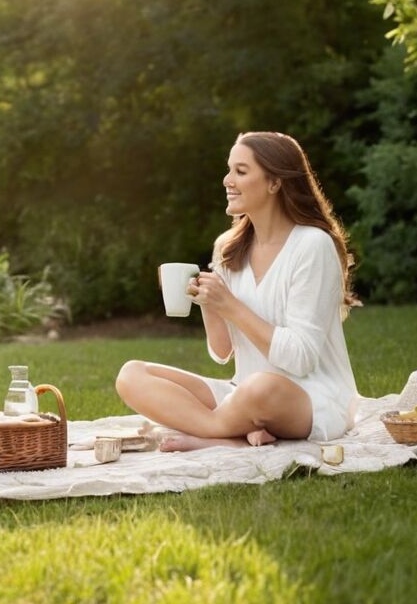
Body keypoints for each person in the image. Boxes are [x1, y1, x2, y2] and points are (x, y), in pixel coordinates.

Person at [115, 131, 359, 450]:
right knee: (132, 375)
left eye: (241, 171)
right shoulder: (228, 249)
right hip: (242, 393)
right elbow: (222, 350)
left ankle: (212, 435)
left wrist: (230, 305)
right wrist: (208, 301)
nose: (227, 180)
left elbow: (300, 359)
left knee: (261, 388)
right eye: (229, 169)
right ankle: (228, 432)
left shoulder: (312, 245)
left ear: (274, 183)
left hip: (310, 397)